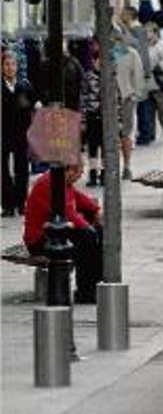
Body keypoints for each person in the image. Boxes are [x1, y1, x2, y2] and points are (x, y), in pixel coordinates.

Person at [23, 159, 103, 304]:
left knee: (97, 232)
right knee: (87, 237)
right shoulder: (50, 183)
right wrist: (88, 227)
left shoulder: (64, 182)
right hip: (40, 240)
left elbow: (80, 199)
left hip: (55, 234)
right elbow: (68, 213)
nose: (80, 176)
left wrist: (96, 211)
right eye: (79, 172)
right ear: (69, 170)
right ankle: (86, 291)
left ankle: (93, 284)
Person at [2, 50, 37, 217]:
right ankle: (8, 205)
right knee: (3, 171)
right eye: (7, 64)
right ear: (2, 67)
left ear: (17, 66)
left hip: (21, 134)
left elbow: (33, 106)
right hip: (3, 133)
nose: (10, 67)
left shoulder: (25, 85)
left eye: (13, 64)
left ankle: (21, 203)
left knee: (21, 169)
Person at [121, 7, 160, 145]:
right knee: (140, 103)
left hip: (137, 71)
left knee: (142, 103)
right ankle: (145, 132)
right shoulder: (134, 30)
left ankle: (144, 133)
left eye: (123, 13)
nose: (121, 15)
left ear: (129, 15)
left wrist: (146, 71)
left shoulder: (136, 30)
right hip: (136, 70)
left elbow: (142, 51)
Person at [112, 30, 146, 181]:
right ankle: (112, 167)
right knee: (110, 134)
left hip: (126, 98)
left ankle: (126, 166)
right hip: (109, 99)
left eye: (118, 39)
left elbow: (138, 75)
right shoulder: (105, 54)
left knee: (126, 133)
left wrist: (135, 96)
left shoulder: (132, 54)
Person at [81, 51, 103, 187]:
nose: (100, 64)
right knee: (93, 147)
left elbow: (117, 99)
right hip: (92, 116)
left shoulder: (111, 76)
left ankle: (105, 173)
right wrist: (83, 119)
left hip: (107, 117)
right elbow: (82, 98)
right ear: (94, 62)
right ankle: (93, 173)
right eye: (98, 61)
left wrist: (119, 120)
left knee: (106, 147)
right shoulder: (88, 77)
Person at [144, 22, 163, 134]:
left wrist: (156, 67)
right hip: (146, 84)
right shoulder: (144, 46)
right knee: (147, 112)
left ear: (155, 33)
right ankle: (149, 134)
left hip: (158, 83)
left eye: (148, 31)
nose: (146, 34)